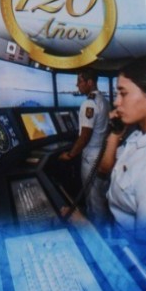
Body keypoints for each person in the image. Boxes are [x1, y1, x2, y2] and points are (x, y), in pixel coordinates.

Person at [98, 57, 146, 271]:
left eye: (123, 93)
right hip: (118, 241)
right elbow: (105, 170)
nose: (116, 102)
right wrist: (114, 132)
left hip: (128, 264)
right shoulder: (139, 137)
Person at [58, 68, 111, 223]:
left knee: (93, 199)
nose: (77, 85)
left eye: (79, 81)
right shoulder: (103, 101)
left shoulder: (88, 103)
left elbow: (85, 136)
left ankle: (96, 235)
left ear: (90, 82)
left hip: (91, 157)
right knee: (100, 196)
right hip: (102, 154)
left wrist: (70, 155)